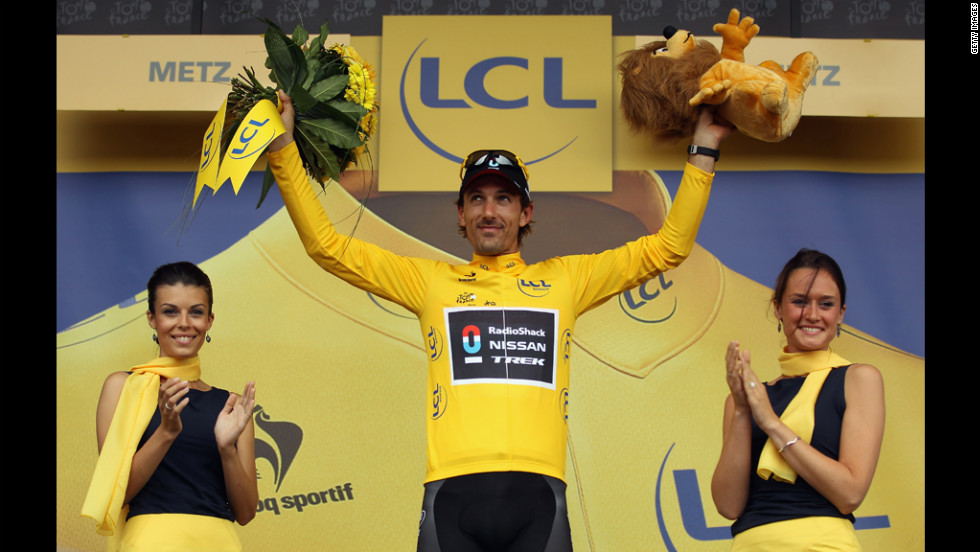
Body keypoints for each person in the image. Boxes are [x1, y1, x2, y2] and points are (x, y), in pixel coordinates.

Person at [266, 89, 731, 551]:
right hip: (452, 494)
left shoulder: (566, 280)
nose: (490, 211)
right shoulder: (430, 282)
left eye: (504, 199)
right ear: (462, 214)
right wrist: (283, 150)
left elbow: (668, 246)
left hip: (539, 498)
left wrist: (704, 149)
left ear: (525, 212)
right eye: (477, 199)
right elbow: (327, 246)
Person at [710, 249, 885, 551]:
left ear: (841, 313)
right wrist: (742, 410)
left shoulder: (858, 379)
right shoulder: (746, 397)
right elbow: (728, 506)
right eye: (799, 301)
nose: (812, 314)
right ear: (778, 308)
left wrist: (772, 424)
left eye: (826, 304)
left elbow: (850, 494)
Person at [81, 261, 258, 551]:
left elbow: (246, 512)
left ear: (210, 320)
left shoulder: (232, 406)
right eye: (170, 311)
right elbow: (117, 494)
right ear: (152, 318)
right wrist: (165, 432)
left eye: (196, 312)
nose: (184, 323)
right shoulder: (122, 387)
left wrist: (226, 449)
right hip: (150, 542)